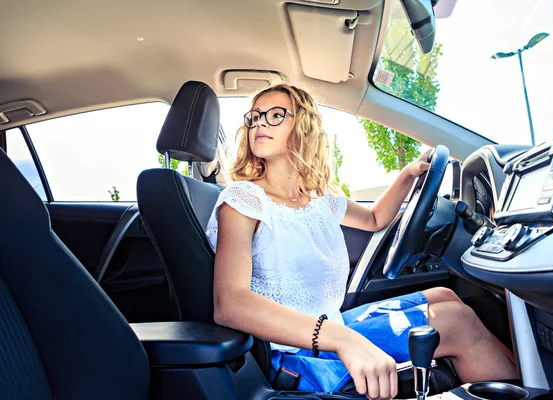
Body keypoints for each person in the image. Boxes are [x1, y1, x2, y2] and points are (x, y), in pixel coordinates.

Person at [206, 84, 517, 399]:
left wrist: (408, 174)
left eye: (275, 115)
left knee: (445, 295)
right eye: (255, 116)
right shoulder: (244, 198)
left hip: (332, 324)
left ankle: (526, 378)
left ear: (303, 127)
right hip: (295, 352)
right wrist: (341, 338)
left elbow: (374, 220)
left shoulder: (318, 199)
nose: (259, 123)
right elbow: (230, 304)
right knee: (457, 323)